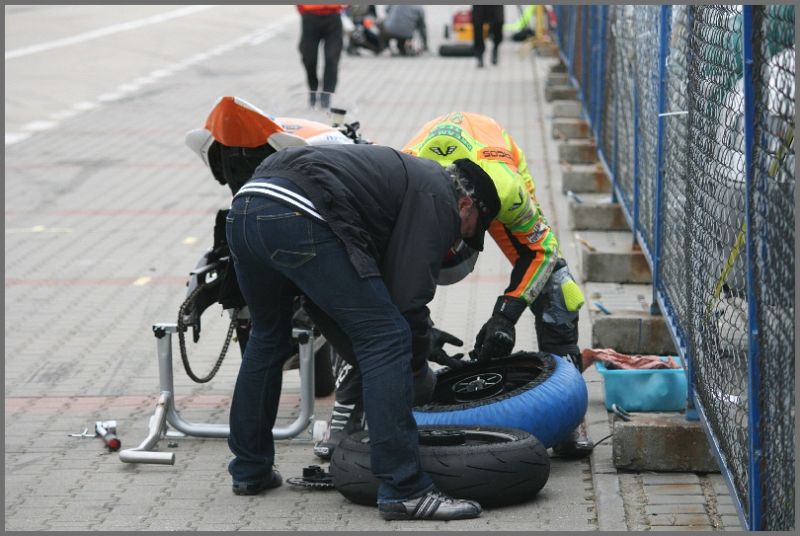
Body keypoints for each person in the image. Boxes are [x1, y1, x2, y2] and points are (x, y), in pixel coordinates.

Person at [226, 142, 501, 521]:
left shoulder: (411, 181)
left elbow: (328, 304)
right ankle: (405, 489)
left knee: (268, 338)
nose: (460, 241)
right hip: (297, 211)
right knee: (389, 338)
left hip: (245, 210)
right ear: (467, 205)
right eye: (470, 232)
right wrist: (416, 369)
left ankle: (249, 469)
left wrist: (374, 359)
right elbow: (406, 304)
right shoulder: (437, 194)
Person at [403, 111, 592, 457]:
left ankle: (570, 415)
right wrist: (419, 327)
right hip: (437, 184)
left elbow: (543, 251)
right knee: (365, 295)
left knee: (559, 290)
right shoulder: (407, 188)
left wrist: (505, 316)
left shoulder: (506, 190)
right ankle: (352, 411)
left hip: (492, 164)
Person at [297, 4, 345, 108]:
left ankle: (327, 94)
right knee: (309, 58)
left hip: (333, 16)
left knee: (332, 57)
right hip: (310, 16)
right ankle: (313, 90)